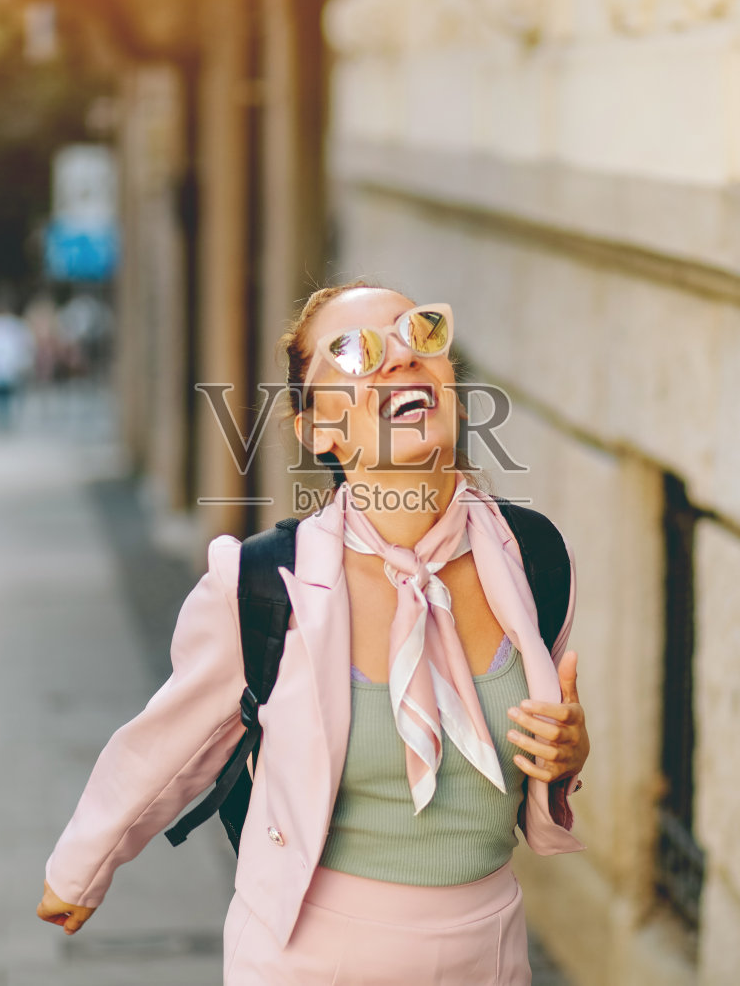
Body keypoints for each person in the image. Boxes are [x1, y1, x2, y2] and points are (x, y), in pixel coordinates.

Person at [36, 282, 591, 983]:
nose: (398, 360)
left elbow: (532, 751)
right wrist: (80, 867)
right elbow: (169, 743)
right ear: (318, 429)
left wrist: (569, 750)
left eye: (418, 333)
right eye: (357, 352)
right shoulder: (265, 582)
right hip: (309, 954)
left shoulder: (535, 558)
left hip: (491, 950)